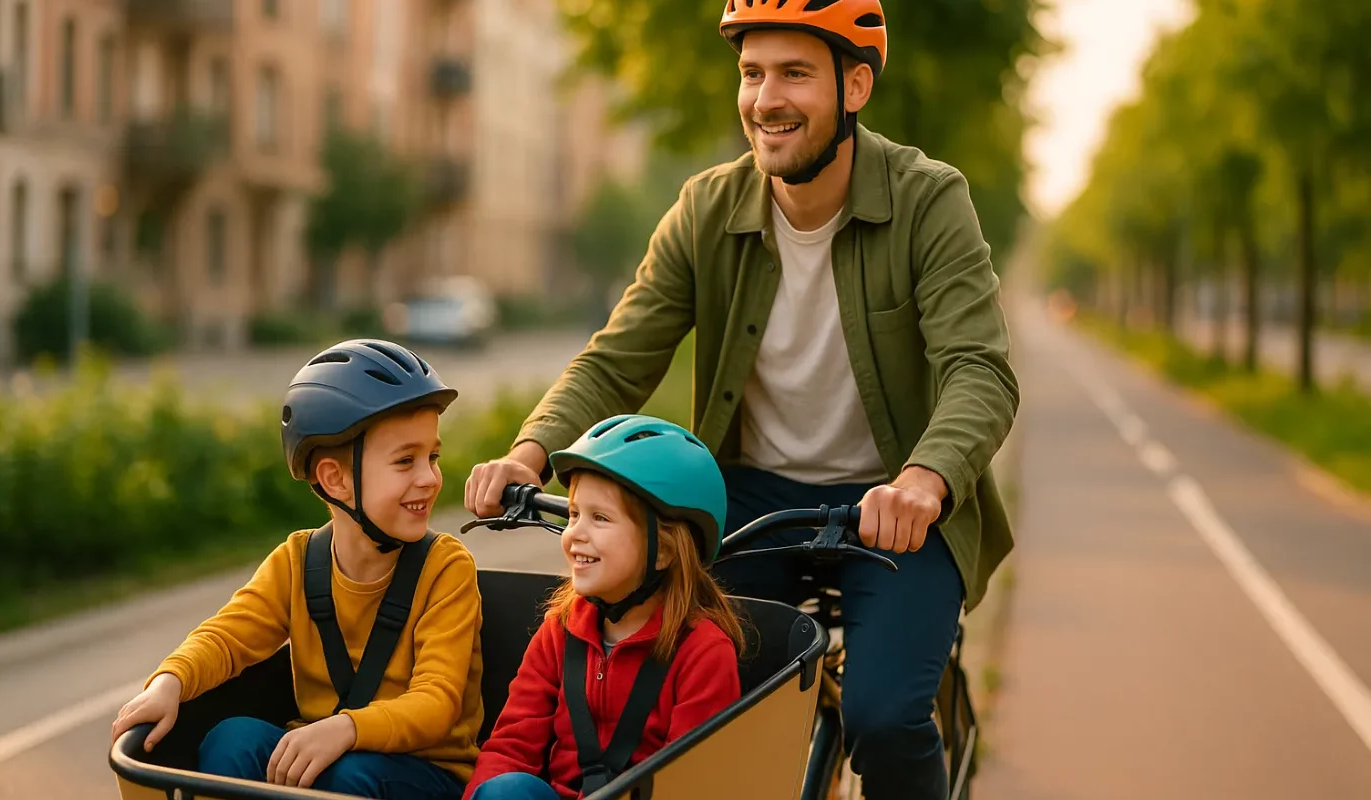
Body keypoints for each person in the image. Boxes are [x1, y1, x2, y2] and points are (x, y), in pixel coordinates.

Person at [465, 0, 1020, 796]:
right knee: (711, 716)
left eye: (795, 73)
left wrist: (926, 478)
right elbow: (620, 357)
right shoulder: (707, 208)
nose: (766, 99)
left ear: (855, 86)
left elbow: (980, 368)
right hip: (751, 500)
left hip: (898, 506)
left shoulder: (929, 200)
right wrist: (530, 451)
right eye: (753, 73)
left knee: (886, 716)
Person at [111, 339, 486, 800]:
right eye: (405, 461)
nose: (428, 478)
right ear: (335, 479)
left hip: (424, 773)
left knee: (346, 777)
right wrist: (171, 681)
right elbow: (226, 636)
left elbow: (437, 703)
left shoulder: (446, 568)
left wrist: (343, 730)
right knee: (234, 739)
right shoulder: (297, 562)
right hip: (324, 757)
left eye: (432, 457)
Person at [462, 415, 745, 800]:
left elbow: (690, 783)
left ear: (662, 550)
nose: (574, 532)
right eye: (574, 514)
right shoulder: (560, 631)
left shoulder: (704, 652)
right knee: (506, 789)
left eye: (600, 518)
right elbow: (511, 749)